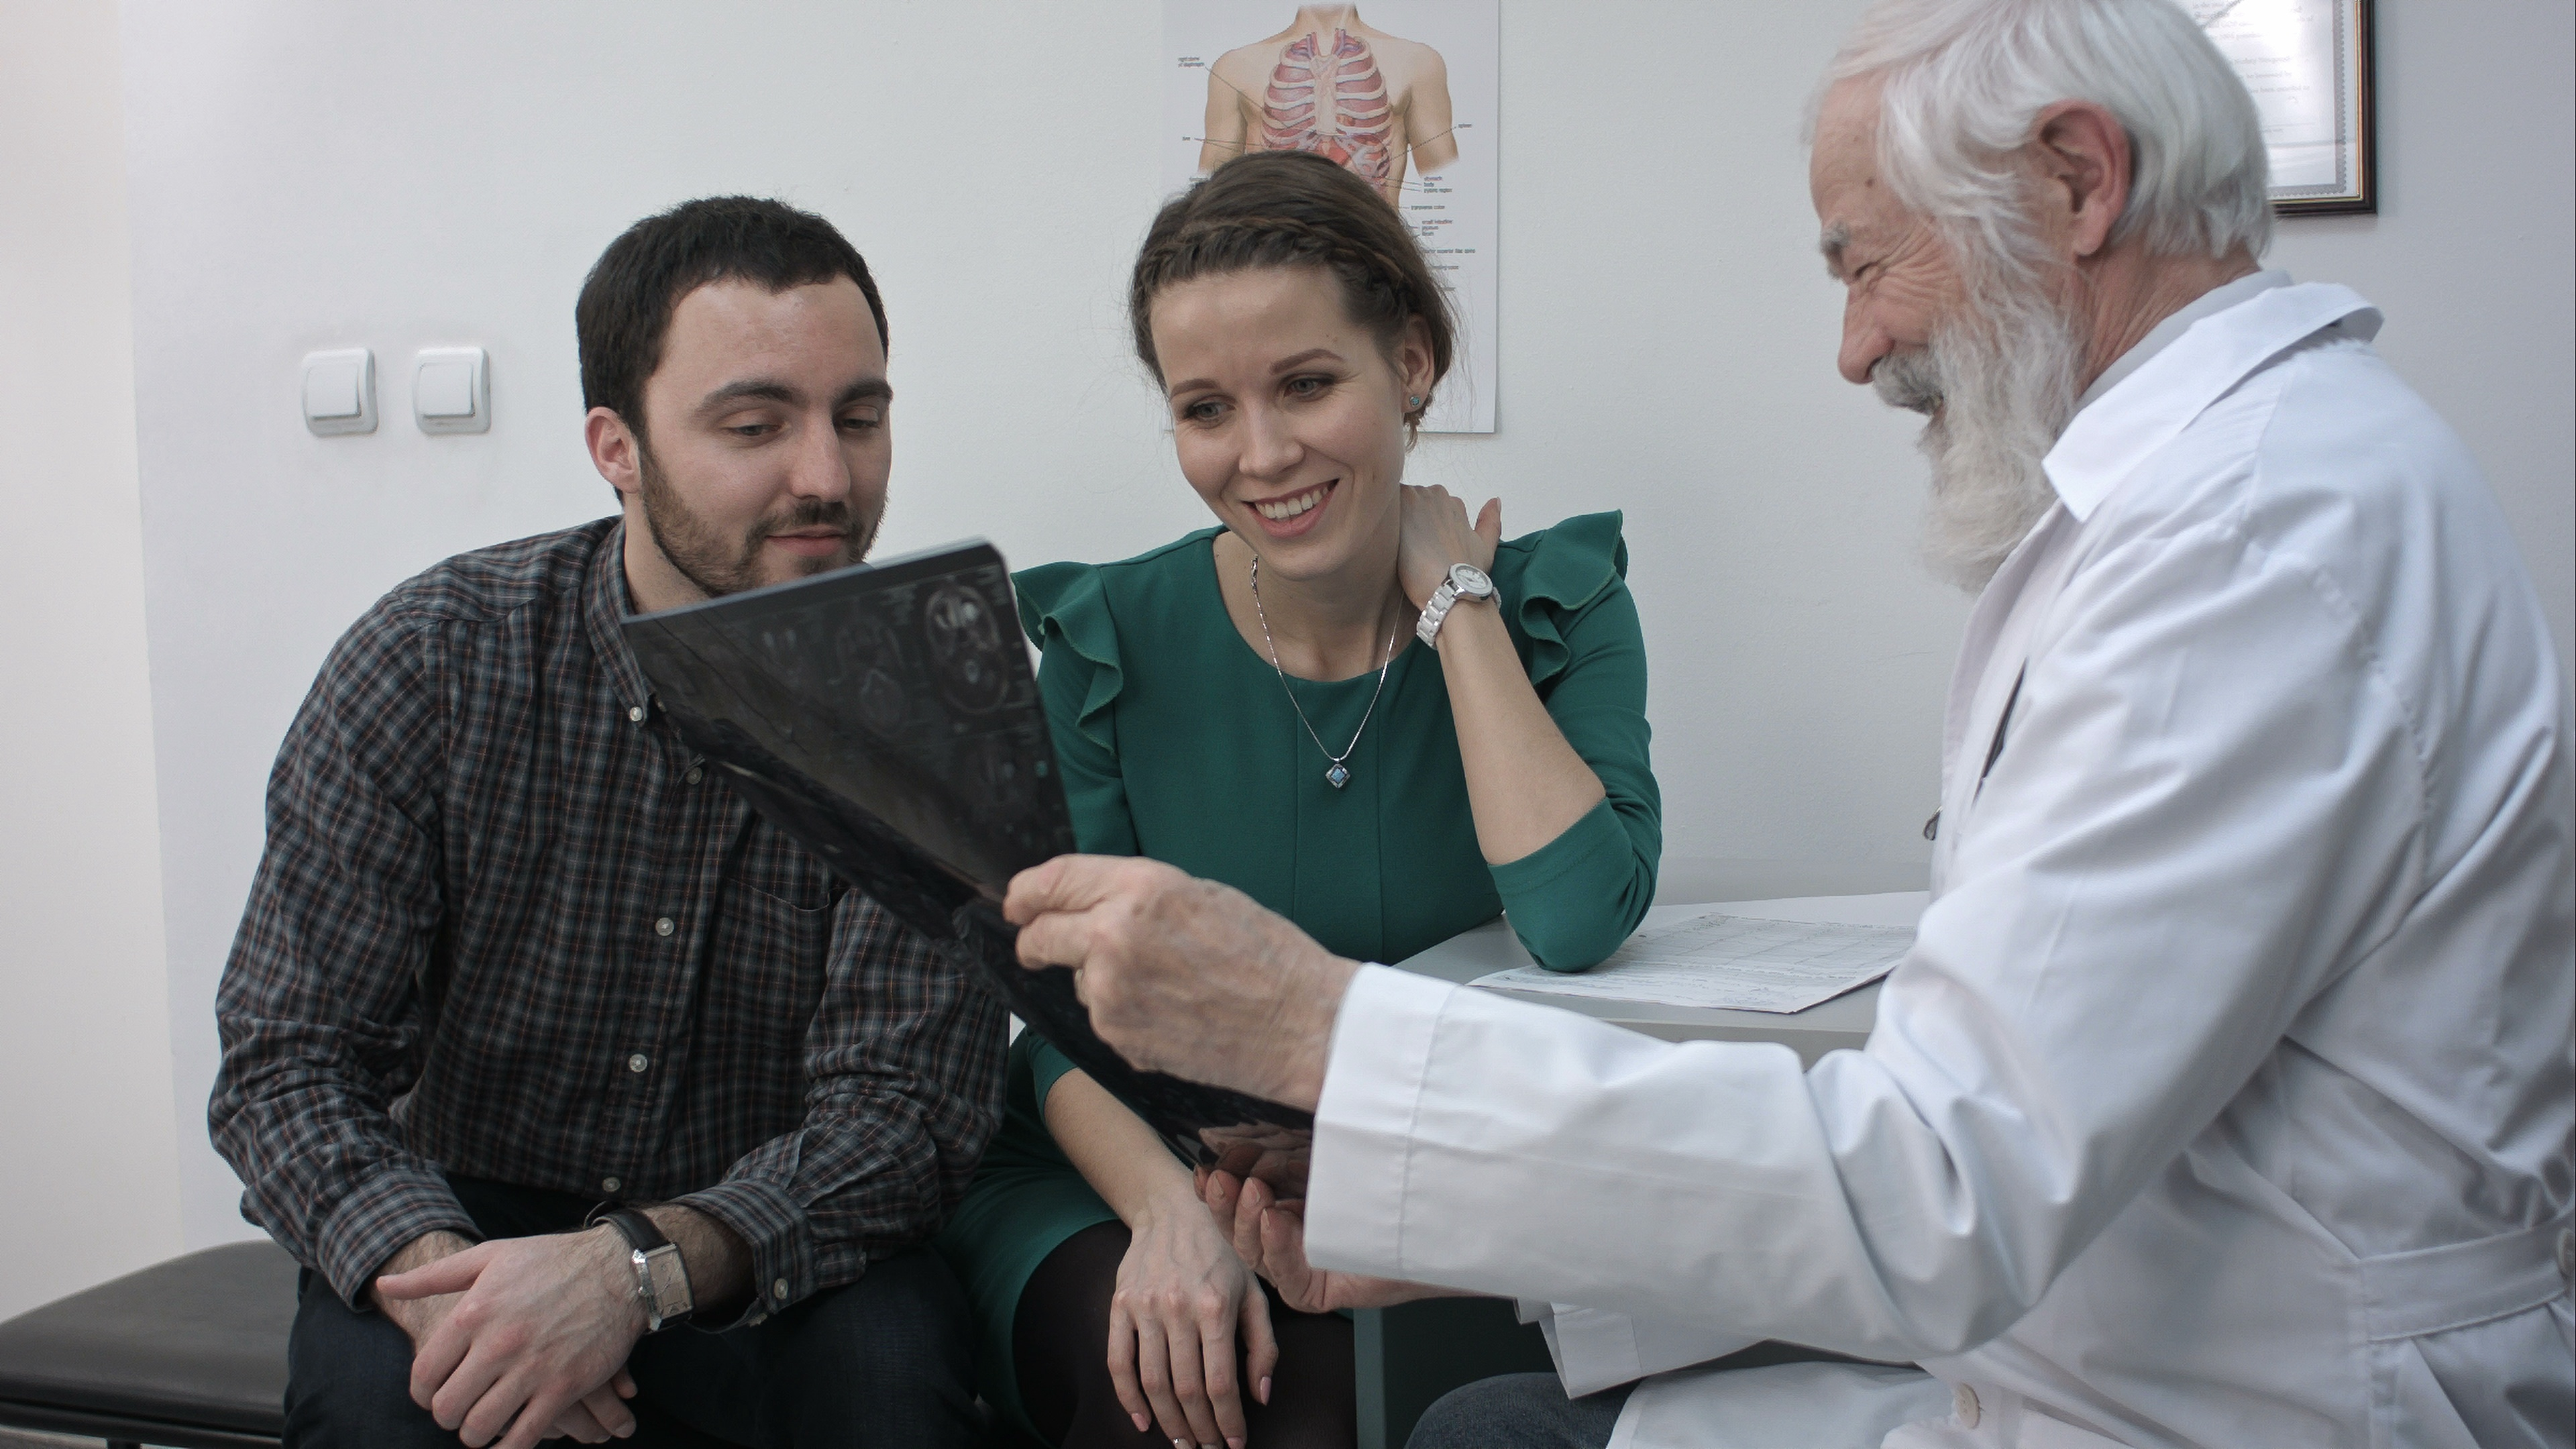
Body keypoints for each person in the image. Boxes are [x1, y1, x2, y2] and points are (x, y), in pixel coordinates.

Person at [998, 2, 2576, 1446]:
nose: (1855, 345)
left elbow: (1941, 1186)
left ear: (2078, 181)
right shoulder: (2219, 501)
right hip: (2106, 1333)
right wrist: (1426, 1228)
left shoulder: (2245, 542)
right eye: (1206, 407)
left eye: (1864, 262)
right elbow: (2007, 1156)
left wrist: (1323, 1037)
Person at [209, 197, 1007, 1449]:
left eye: (860, 416)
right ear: (615, 446)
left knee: (889, 1390)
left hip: (775, 1239)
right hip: (466, 1220)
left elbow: (904, 1118)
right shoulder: (433, 659)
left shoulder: (928, 709)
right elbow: (287, 1061)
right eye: (755, 425)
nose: (829, 477)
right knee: (381, 1412)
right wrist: (461, 1298)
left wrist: (633, 1275)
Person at [934, 148, 1660, 1449]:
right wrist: (1166, 1213)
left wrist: (1459, 609)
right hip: (1128, 1171)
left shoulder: (1557, 607)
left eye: (1308, 385)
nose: (1260, 456)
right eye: (1206, 409)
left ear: (1417, 363)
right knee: (1223, 1396)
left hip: (1438, 1189)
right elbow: (1053, 1017)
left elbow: (1577, 917)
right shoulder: (1106, 641)